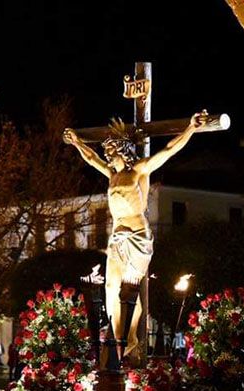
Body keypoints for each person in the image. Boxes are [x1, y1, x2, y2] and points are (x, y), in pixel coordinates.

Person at [64, 111, 207, 363]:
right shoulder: (111, 174)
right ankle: (116, 334)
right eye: (106, 150)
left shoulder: (140, 170)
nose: (108, 154)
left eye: (112, 149)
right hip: (117, 238)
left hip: (137, 236)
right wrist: (77, 142)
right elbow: (90, 157)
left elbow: (169, 150)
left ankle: (130, 337)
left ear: (123, 149)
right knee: (110, 286)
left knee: (130, 289)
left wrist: (190, 129)